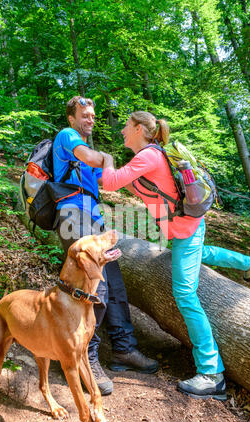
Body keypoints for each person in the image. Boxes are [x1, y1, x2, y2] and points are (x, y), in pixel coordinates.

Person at [101, 110, 250, 401]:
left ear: (139, 128)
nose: (123, 130)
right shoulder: (151, 155)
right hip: (186, 229)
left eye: (127, 125)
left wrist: (105, 161)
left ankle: (212, 374)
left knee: (185, 294)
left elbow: (111, 182)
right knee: (198, 253)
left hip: (186, 228)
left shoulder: (148, 156)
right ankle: (249, 263)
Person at [52, 98, 159, 396]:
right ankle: (85, 355)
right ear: (72, 118)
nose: (91, 119)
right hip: (72, 216)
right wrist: (109, 157)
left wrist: (156, 184)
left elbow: (114, 181)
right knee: (93, 287)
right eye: (84, 115)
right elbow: (96, 159)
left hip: (94, 220)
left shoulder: (89, 152)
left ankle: (124, 349)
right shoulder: (67, 137)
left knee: (114, 283)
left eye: (93, 116)